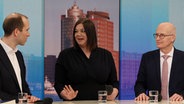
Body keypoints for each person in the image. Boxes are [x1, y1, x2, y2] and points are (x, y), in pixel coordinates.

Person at [54, 18, 119, 100]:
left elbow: (114, 83)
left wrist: (114, 92)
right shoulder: (65, 55)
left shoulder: (106, 55)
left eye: (82, 31)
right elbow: (58, 84)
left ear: (91, 33)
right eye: (76, 31)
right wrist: (64, 95)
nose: (78, 34)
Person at [134, 22, 184, 101]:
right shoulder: (147, 57)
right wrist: (141, 93)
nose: (157, 38)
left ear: (172, 38)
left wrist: (182, 95)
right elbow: (140, 84)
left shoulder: (182, 58)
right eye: (156, 35)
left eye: (162, 35)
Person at [0, 13, 40, 103]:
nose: (28, 34)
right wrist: (19, 100)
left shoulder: (19, 55)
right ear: (17, 32)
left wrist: (29, 97)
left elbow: (22, 86)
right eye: (27, 30)